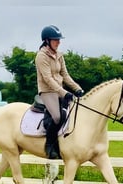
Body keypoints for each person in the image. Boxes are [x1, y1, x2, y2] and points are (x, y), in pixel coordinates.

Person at [35, 25, 84, 159]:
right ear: (47, 41)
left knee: (73, 113)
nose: (58, 42)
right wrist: (64, 93)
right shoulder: (41, 57)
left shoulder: (59, 56)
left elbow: (65, 75)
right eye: (55, 39)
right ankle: (50, 146)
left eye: (59, 39)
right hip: (47, 91)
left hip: (59, 90)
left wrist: (77, 88)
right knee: (57, 117)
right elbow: (48, 79)